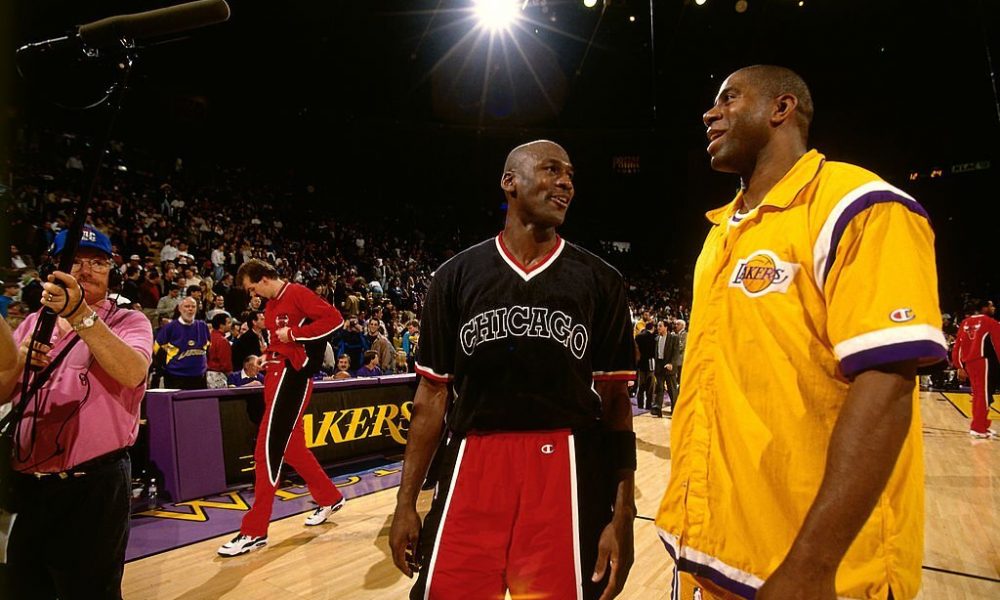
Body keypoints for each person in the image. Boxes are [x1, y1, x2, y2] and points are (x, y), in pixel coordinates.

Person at [655, 66, 947, 600]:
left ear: (781, 109)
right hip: (711, 557)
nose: (710, 113)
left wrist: (812, 566)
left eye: (728, 98)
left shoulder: (860, 205)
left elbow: (886, 386)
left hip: (814, 575)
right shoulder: (721, 233)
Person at [389, 140, 636, 600]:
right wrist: (405, 503)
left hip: (566, 463)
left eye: (571, 175)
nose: (566, 183)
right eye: (552, 170)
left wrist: (622, 514)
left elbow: (616, 404)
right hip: (472, 462)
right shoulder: (454, 277)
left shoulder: (602, 281)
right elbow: (430, 399)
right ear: (510, 182)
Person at [0, 226, 153, 599]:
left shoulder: (130, 321)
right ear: (53, 268)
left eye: (97, 262)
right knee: (22, 587)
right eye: (75, 261)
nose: (86, 270)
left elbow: (133, 372)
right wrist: (19, 362)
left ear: (110, 270)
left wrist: (81, 314)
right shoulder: (32, 322)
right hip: (30, 484)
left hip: (93, 484)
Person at [217, 258, 346, 556]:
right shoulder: (272, 305)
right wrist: (264, 357)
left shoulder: (297, 293)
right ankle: (330, 497)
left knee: (267, 450)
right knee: (292, 449)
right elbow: (280, 344)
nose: (253, 295)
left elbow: (334, 319)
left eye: (252, 288)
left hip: (292, 378)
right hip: (275, 376)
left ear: (263, 278)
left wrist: (297, 335)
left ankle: (254, 530)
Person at [951, 299, 1000, 438]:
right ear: (984, 308)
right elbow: (998, 345)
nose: (994, 308)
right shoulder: (990, 322)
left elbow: (957, 346)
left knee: (979, 394)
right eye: (991, 306)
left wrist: (959, 366)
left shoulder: (965, 322)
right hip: (984, 361)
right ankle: (978, 427)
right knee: (983, 394)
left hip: (970, 363)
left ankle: (982, 425)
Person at [153, 296, 210, 390]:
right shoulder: (169, 328)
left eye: (193, 306)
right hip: (175, 377)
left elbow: (208, 347)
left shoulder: (203, 326)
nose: (190, 309)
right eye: (187, 306)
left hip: (199, 376)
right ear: (179, 308)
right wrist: (167, 368)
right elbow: (157, 349)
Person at [206, 313, 234, 389]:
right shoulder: (222, 341)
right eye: (228, 323)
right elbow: (225, 363)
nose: (231, 325)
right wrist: (231, 376)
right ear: (221, 325)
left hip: (208, 375)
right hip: (218, 375)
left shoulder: (209, 337)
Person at [634, 321, 656, 410]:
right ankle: (648, 405)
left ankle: (640, 404)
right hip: (651, 363)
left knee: (640, 385)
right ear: (652, 328)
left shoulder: (638, 337)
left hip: (640, 364)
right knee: (650, 386)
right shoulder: (654, 338)